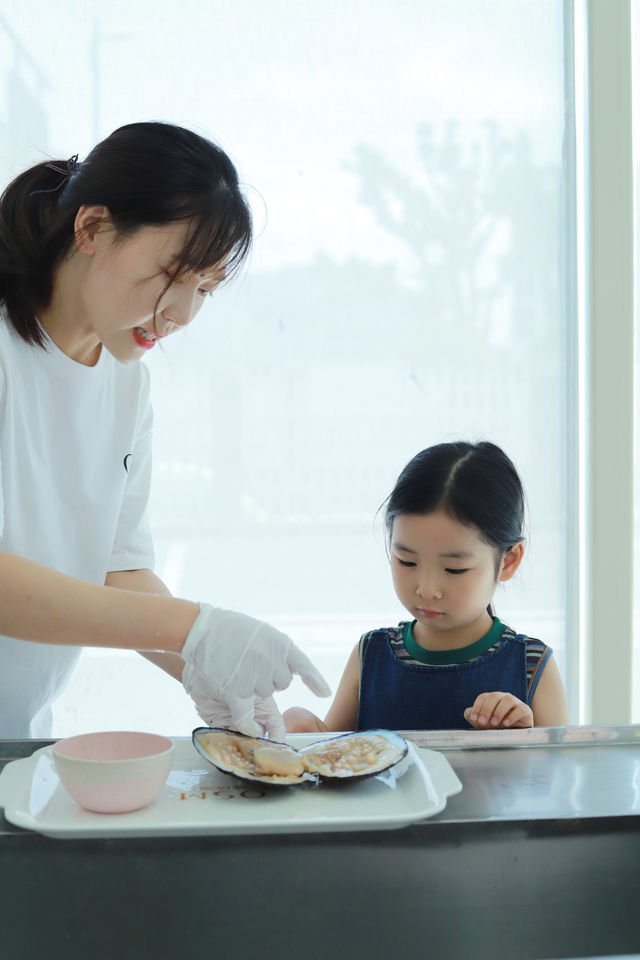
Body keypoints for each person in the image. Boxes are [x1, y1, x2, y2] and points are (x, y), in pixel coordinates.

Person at [0, 121, 329, 741]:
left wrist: (199, 667)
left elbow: (116, 566)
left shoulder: (128, 385)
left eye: (205, 287)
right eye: (174, 274)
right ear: (92, 227)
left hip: (17, 737)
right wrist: (191, 630)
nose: (183, 314)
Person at [284, 441, 568, 733]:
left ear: (509, 561)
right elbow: (334, 761)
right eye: (407, 562)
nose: (427, 589)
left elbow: (562, 775)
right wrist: (301, 732)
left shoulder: (531, 667)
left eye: (454, 569)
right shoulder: (370, 656)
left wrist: (527, 744)